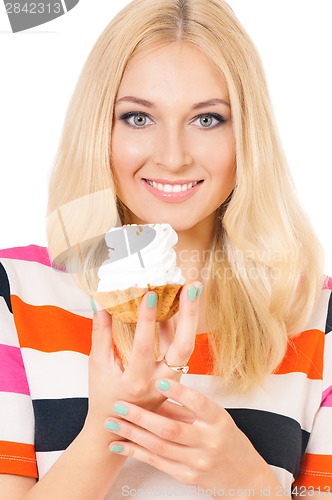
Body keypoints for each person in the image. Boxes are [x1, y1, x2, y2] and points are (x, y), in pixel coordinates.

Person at [0, 0, 331, 498]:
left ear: (248, 135)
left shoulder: (316, 316)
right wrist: (107, 431)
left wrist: (252, 486)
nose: (173, 157)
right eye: (137, 118)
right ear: (100, 130)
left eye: (207, 120)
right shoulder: (19, 294)